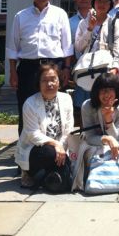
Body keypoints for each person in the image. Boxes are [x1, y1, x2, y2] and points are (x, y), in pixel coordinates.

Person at [7, 0, 73, 134]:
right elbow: (12, 47)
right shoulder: (20, 16)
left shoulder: (60, 14)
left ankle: (55, 147)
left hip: (54, 67)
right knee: (26, 106)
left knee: (54, 107)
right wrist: (13, 72)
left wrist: (67, 68)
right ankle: (25, 151)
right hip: (28, 68)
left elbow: (67, 45)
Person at [15, 63, 73, 191]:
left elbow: (68, 129)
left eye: (53, 79)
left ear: (59, 81)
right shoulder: (30, 103)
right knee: (50, 153)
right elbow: (33, 134)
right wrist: (56, 145)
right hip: (36, 149)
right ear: (38, 83)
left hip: (60, 150)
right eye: (45, 80)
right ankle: (29, 173)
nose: (50, 84)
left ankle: (47, 176)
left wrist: (61, 147)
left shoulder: (66, 99)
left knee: (63, 183)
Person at [74, 0, 119, 108]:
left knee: (105, 106)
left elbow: (118, 46)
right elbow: (78, 47)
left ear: (110, 5)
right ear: (93, 3)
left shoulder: (115, 22)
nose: (102, 4)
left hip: (106, 69)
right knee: (85, 107)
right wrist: (89, 29)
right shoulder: (83, 23)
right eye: (99, 1)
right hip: (87, 70)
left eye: (106, 2)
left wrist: (115, 66)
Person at [81, 73, 119, 157]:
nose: (106, 94)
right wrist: (106, 139)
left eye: (110, 89)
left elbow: (117, 138)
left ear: (116, 91)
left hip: (117, 143)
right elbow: (90, 137)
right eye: (103, 90)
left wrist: (108, 119)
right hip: (93, 144)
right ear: (97, 92)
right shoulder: (87, 106)